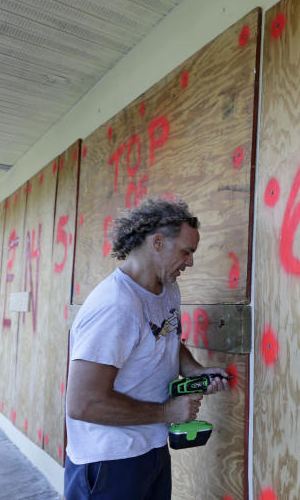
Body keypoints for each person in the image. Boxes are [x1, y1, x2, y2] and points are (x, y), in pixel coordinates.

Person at [64, 198, 230, 500]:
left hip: (151, 446)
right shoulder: (115, 306)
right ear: (157, 243)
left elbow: (165, 337)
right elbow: (83, 403)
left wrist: (195, 371)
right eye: (186, 252)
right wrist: (168, 410)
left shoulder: (167, 288)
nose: (190, 262)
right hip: (109, 463)